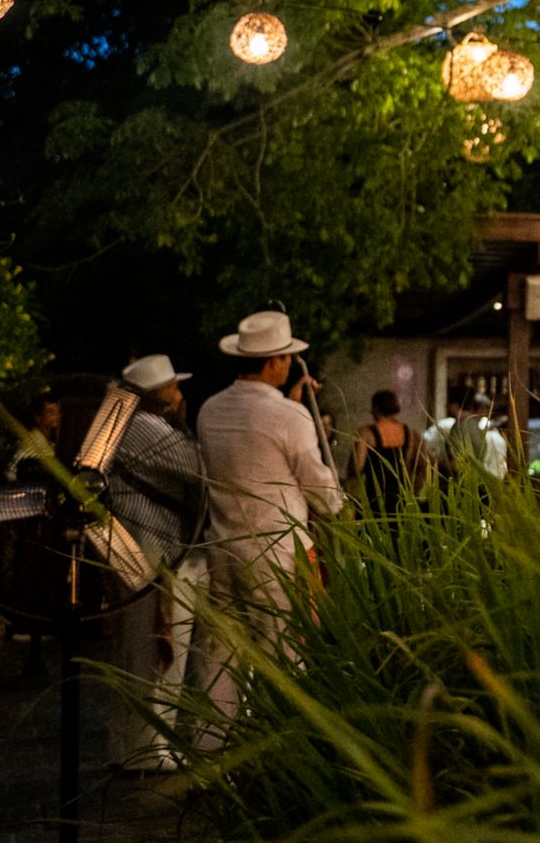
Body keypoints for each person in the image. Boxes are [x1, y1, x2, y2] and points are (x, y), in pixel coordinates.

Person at [197, 312, 344, 725]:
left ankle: (210, 752)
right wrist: (338, 503)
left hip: (224, 547)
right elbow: (319, 489)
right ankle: (280, 751)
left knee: (221, 659)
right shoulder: (288, 416)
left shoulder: (209, 410)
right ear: (275, 361)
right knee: (284, 655)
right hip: (276, 555)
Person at [106, 354, 203, 771]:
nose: (180, 395)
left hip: (134, 545)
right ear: (159, 395)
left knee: (135, 649)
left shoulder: (125, 426)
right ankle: (150, 751)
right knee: (160, 650)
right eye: (174, 388)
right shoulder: (148, 429)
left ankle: (131, 747)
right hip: (154, 548)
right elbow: (198, 469)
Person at [347, 389, 427, 513]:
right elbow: (421, 467)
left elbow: (356, 468)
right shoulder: (411, 434)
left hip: (374, 498)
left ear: (376, 409)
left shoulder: (366, 433)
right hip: (401, 498)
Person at [436, 392, 509, 479]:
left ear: (455, 405)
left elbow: (455, 460)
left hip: (465, 479)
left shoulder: (463, 425)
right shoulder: (474, 425)